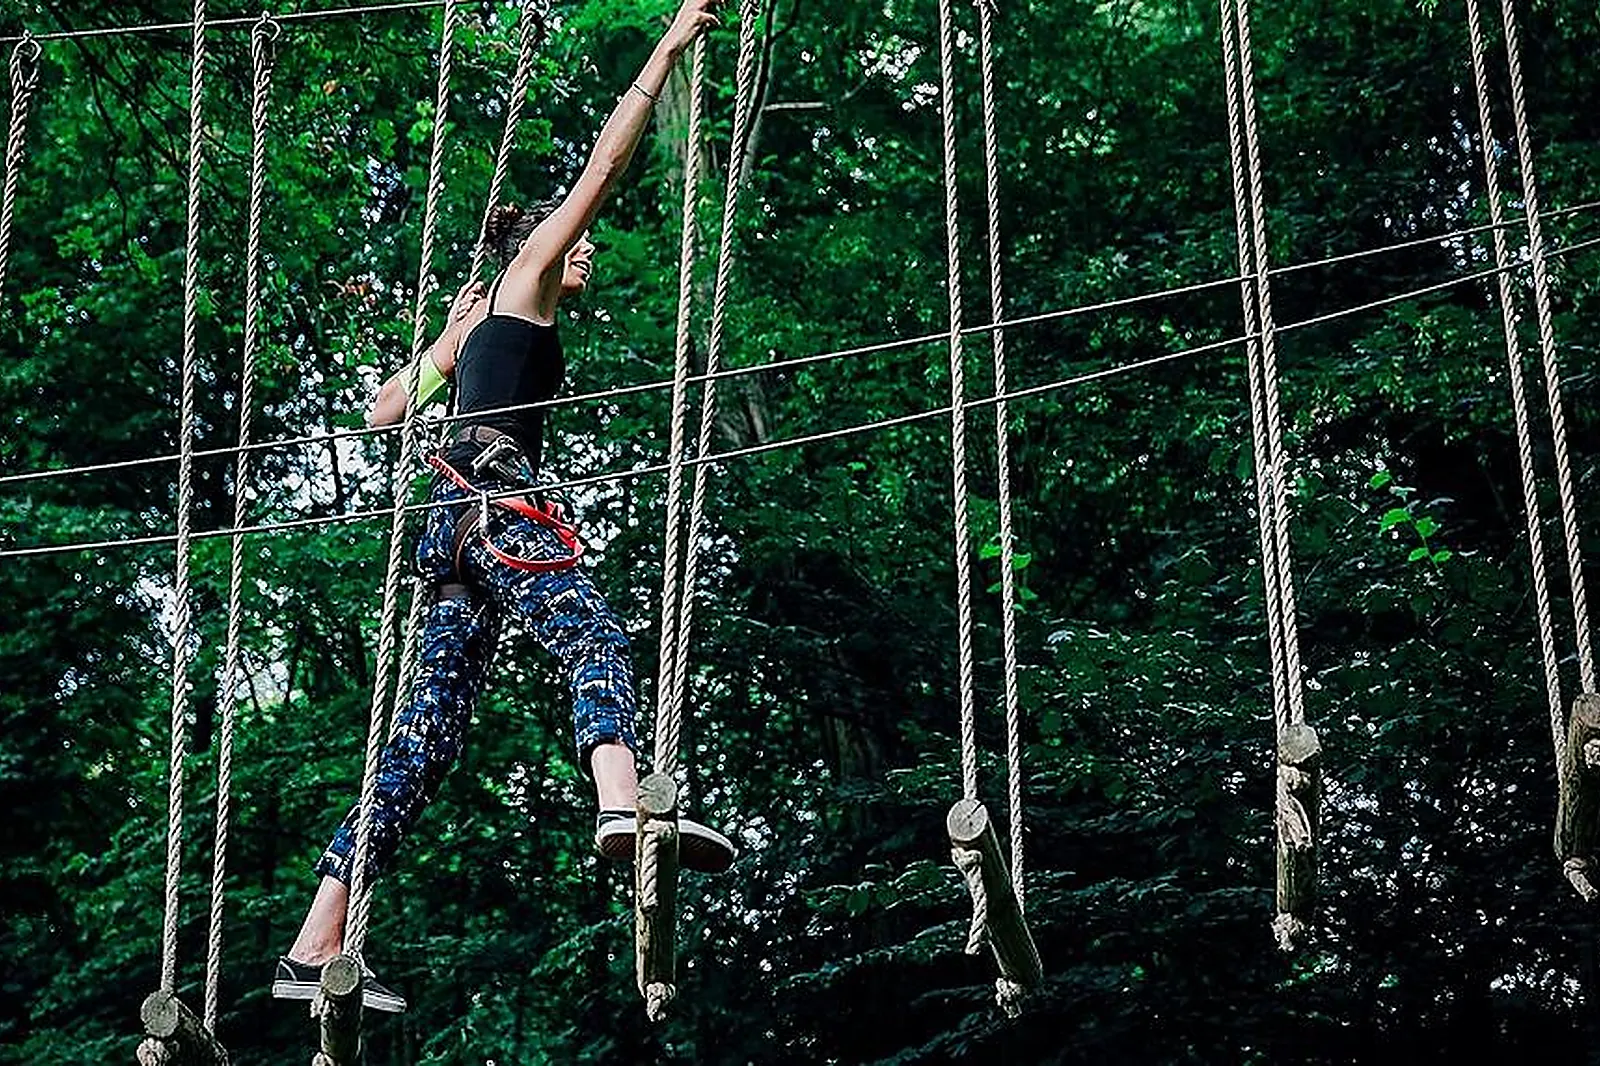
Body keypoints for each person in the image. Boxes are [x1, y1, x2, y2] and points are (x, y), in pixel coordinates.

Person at [271, 0, 732, 1015]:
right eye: (575, 247)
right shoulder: (524, 283)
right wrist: (665, 50)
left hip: (452, 528)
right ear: (540, 247)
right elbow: (602, 171)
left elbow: (385, 409)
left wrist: (446, 339)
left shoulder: (481, 319)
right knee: (592, 636)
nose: (586, 254)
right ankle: (624, 807)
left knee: (422, 743)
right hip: (494, 497)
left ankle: (313, 940)